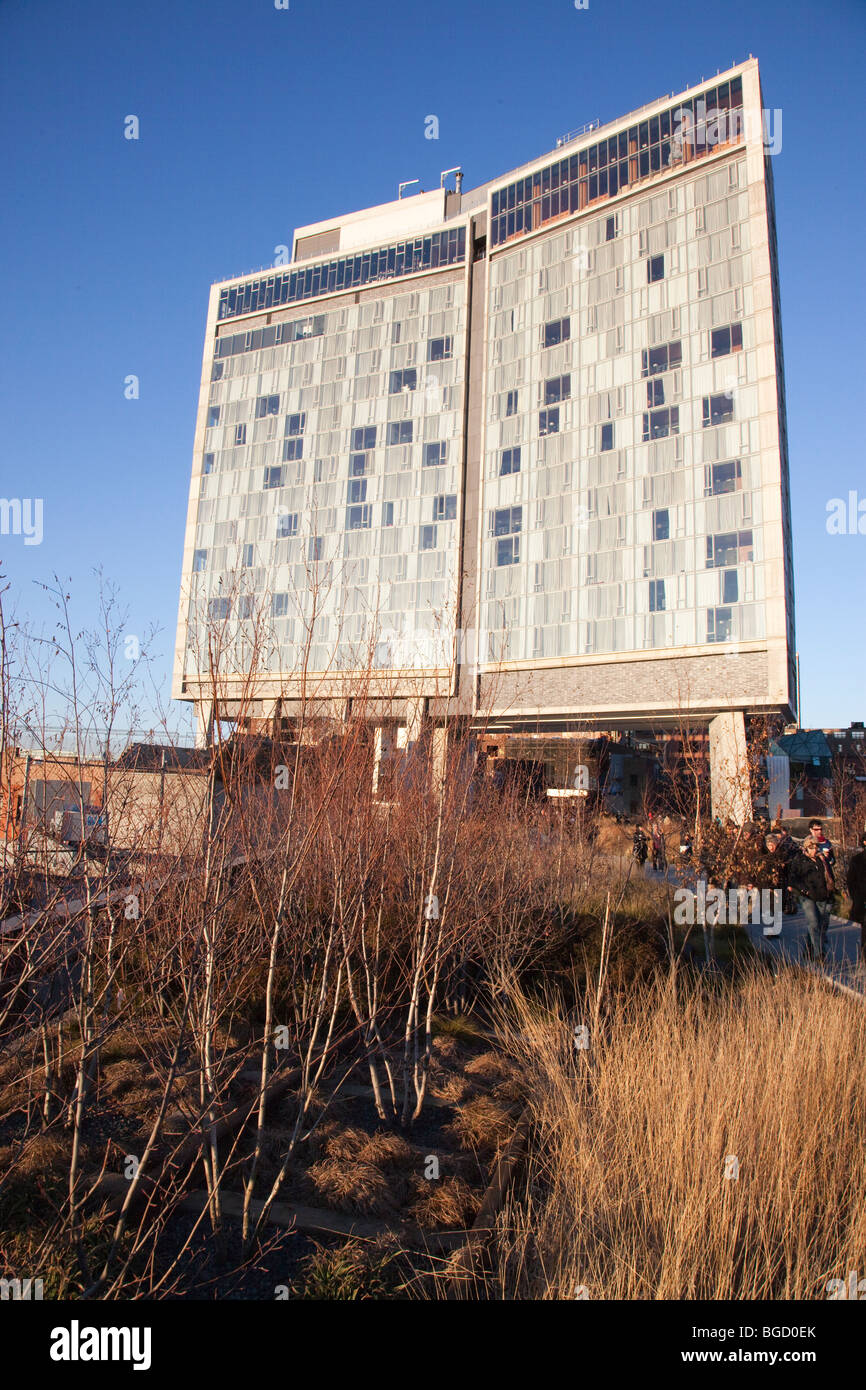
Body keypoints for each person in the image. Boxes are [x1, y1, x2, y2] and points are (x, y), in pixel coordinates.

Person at [790, 838, 836, 963]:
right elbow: (793, 878)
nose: (814, 850)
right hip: (807, 897)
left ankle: (808, 950)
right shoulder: (800, 861)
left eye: (816, 847)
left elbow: (830, 876)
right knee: (814, 923)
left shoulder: (822, 860)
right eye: (811, 848)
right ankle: (819, 954)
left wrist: (830, 891)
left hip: (822, 895)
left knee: (819, 925)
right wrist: (804, 890)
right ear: (806, 848)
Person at [845, 833, 866, 964]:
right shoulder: (857, 860)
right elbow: (851, 882)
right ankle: (864, 954)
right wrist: (857, 898)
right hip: (863, 900)